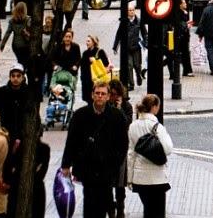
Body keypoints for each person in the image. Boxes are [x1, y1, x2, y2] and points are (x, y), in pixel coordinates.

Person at [61, 81, 129, 218]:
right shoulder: (80, 115)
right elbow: (72, 141)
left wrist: (115, 164)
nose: (100, 96)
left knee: (103, 203)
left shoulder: (117, 116)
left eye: (103, 94)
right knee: (89, 203)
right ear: (92, 95)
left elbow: (123, 144)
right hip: (87, 168)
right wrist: (66, 164)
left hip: (107, 169)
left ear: (108, 96)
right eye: (97, 93)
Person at [127, 94, 173, 218]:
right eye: (158, 106)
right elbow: (168, 149)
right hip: (157, 178)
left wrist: (129, 178)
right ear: (153, 107)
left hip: (140, 178)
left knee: (147, 210)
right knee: (157, 212)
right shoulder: (157, 127)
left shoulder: (132, 126)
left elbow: (131, 154)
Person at [109, 79, 133, 218]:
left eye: (117, 94)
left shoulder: (126, 106)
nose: (114, 97)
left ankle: (120, 209)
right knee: (107, 183)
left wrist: (119, 110)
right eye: (112, 94)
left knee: (119, 183)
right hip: (107, 148)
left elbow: (127, 123)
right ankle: (110, 209)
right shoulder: (106, 105)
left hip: (121, 148)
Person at [0, 64, 26, 147]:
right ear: (10, 77)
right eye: (13, 76)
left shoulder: (26, 93)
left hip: (20, 134)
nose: (15, 78)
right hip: (3, 132)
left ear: (22, 77)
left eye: (18, 76)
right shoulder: (1, 92)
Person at [114, 2, 145, 89]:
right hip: (127, 47)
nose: (131, 12)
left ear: (135, 11)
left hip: (136, 47)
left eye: (132, 10)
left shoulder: (139, 21)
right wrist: (115, 46)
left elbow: (144, 33)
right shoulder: (124, 22)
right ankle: (131, 84)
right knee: (129, 66)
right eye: (129, 10)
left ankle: (139, 76)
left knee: (137, 65)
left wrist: (144, 43)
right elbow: (118, 34)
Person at [0, 2, 31, 69]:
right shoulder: (28, 19)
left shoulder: (12, 20)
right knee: (25, 62)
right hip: (26, 45)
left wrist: (3, 44)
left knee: (20, 61)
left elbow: (7, 33)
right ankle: (22, 74)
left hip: (16, 45)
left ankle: (20, 72)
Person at [80, 35, 110, 105]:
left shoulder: (100, 52)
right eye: (86, 41)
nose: (87, 43)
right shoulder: (85, 53)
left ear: (93, 42)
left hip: (97, 80)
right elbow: (82, 66)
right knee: (89, 100)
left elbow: (106, 64)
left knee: (97, 98)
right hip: (87, 81)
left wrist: (95, 60)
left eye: (88, 41)